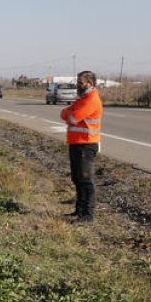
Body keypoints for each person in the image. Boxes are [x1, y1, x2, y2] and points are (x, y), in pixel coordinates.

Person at [60, 70, 103, 222]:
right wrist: (68, 113)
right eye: (78, 81)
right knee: (77, 179)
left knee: (86, 180)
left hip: (86, 144)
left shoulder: (91, 100)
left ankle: (88, 215)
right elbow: (64, 113)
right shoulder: (82, 99)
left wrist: (69, 113)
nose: (78, 84)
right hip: (76, 143)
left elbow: (72, 117)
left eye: (81, 82)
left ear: (90, 84)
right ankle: (79, 211)